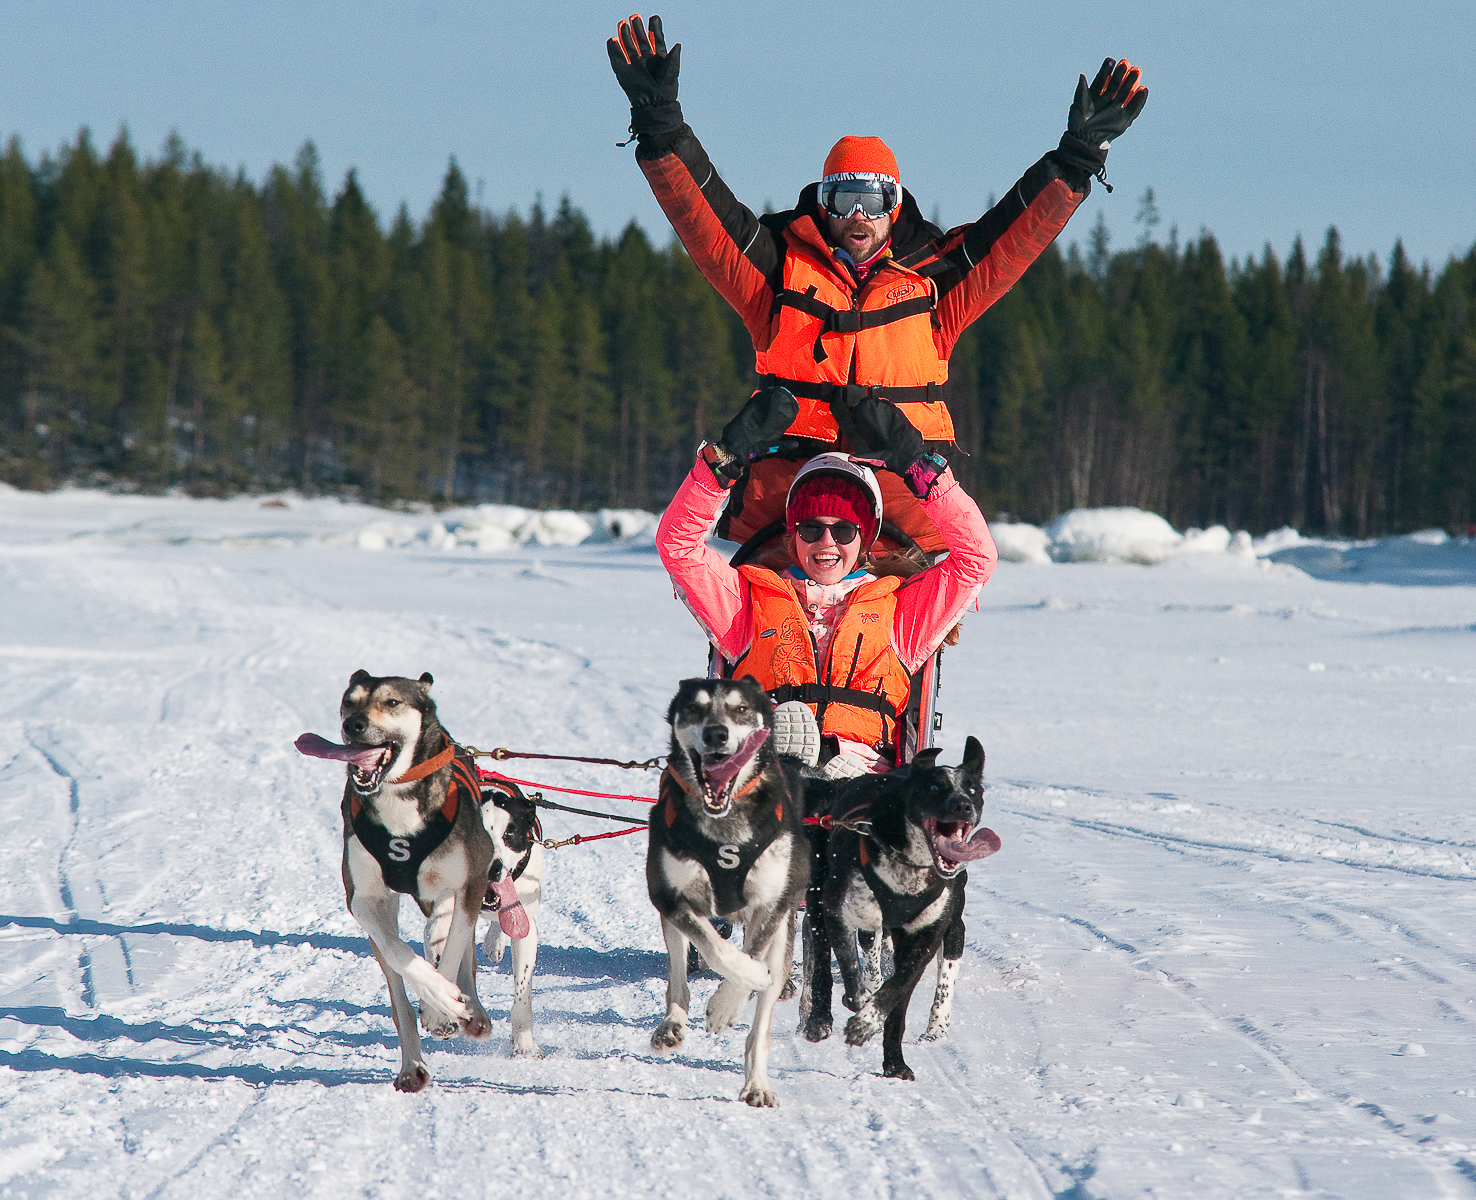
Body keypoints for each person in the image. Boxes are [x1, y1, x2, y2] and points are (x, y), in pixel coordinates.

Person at [609, 14, 1147, 551]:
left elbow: (1012, 237)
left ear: (895, 208)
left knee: (902, 629)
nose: (859, 217)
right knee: (769, 631)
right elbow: (708, 223)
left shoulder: (935, 282)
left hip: (902, 514)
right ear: (824, 205)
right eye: (846, 201)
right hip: (790, 513)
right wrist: (662, 130)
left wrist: (1077, 160)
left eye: (874, 201)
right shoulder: (777, 274)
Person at [655, 387, 995, 776]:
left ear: (865, 540)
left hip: (865, 772)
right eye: (811, 528)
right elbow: (677, 546)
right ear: (792, 536)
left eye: (844, 531)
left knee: (855, 797)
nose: (826, 543)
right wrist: (722, 463)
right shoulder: (747, 602)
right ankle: (793, 770)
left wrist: (922, 471)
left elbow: (976, 557)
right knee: (780, 755)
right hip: (768, 772)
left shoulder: (901, 611)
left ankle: (832, 782)